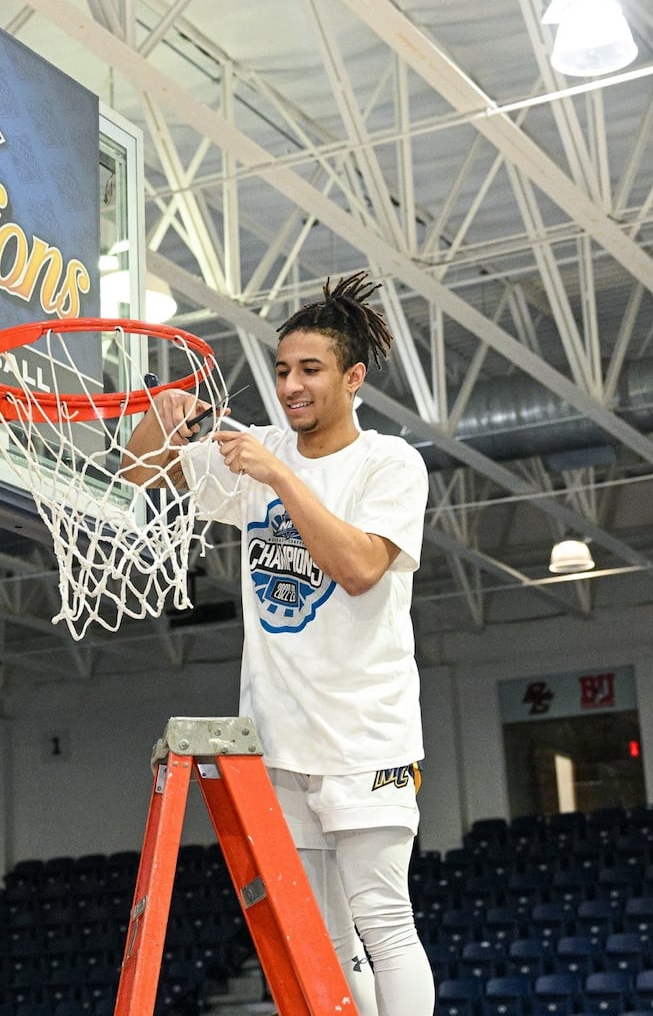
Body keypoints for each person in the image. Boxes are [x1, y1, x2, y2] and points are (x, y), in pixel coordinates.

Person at [123, 271, 434, 1016]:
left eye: (310, 369)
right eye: (284, 369)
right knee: (322, 942)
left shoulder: (389, 463)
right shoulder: (258, 449)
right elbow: (139, 471)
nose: (291, 385)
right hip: (278, 740)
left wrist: (279, 477)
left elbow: (360, 568)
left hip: (368, 735)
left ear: (353, 377)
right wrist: (159, 416)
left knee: (384, 923)